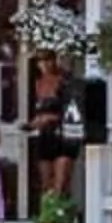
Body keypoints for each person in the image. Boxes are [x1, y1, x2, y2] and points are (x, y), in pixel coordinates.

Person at [25, 50, 76, 205]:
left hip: (64, 135)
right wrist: (33, 123)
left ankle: (63, 216)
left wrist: (49, 118)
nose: (44, 65)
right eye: (40, 61)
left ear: (55, 60)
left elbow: (73, 111)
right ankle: (48, 216)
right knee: (46, 183)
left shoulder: (65, 81)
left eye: (48, 60)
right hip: (44, 136)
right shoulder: (36, 83)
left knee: (61, 183)